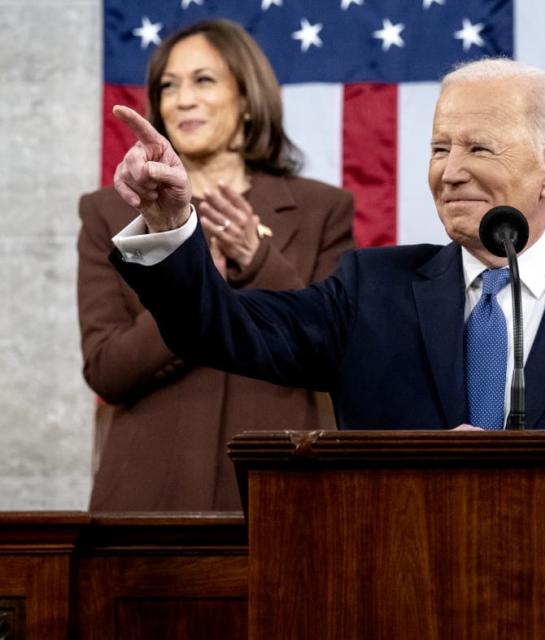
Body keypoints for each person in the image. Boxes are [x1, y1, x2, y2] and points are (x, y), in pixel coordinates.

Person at [106, 58, 545, 433]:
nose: (451, 172)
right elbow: (216, 328)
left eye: (478, 149)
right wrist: (171, 222)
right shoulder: (369, 291)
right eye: (441, 149)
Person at [78, 19, 354, 511]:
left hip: (286, 491)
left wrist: (258, 258)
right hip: (150, 497)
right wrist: (188, 276)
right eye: (169, 85)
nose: (183, 99)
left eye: (204, 80)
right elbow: (107, 370)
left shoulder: (322, 210)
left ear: (246, 98)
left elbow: (334, 353)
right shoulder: (109, 212)